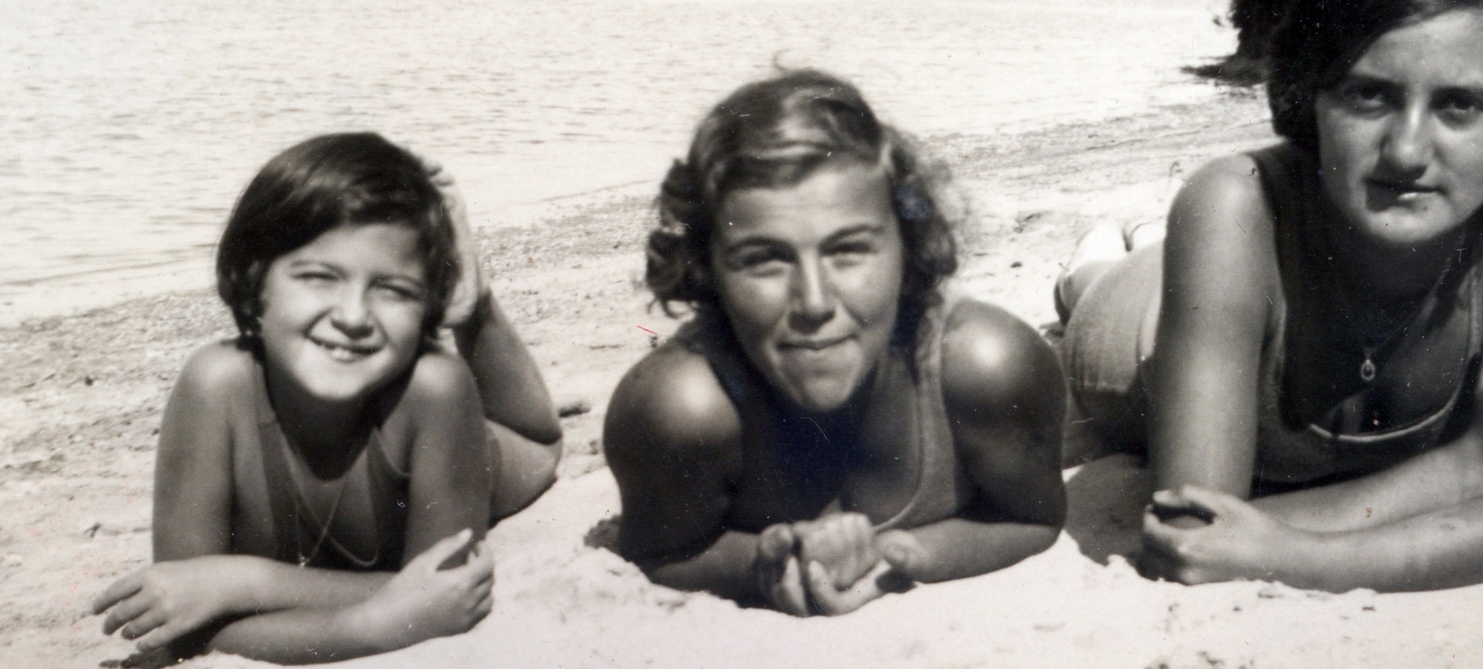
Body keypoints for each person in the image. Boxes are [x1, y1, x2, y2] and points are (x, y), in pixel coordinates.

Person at [1058, 0, 1483, 591]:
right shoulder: (1233, 204)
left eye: (1458, 106)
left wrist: (1280, 547)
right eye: (1370, 94)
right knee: (1102, 279)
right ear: (1311, 96)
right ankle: (1092, 260)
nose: (1407, 151)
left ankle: (1143, 239)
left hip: (1228, 291)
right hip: (1130, 330)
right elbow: (1193, 536)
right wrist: (1473, 467)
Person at [605, 70, 1066, 616]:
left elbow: (1033, 517)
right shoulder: (678, 411)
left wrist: (908, 554)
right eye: (764, 259)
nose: (814, 301)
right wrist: (762, 566)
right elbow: (661, 551)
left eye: (848, 250)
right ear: (707, 270)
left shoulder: (986, 367)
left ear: (909, 245)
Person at [92, 133, 561, 662]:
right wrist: (381, 612)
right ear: (253, 281)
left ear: (425, 306)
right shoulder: (214, 385)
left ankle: (474, 305)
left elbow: (447, 590)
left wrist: (244, 582)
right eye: (319, 277)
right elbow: (180, 620)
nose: (354, 317)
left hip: (491, 453)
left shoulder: (434, 387)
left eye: (394, 289)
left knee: (539, 446)